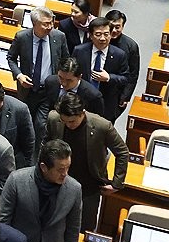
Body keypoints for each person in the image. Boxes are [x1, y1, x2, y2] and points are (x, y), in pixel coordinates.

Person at [45, 93, 127, 231]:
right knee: (52, 224)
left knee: (84, 229)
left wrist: (117, 183)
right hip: (58, 182)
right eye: (64, 121)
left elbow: (122, 152)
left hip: (89, 186)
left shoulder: (102, 126)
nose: (68, 125)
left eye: (72, 121)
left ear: (82, 113)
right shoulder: (54, 118)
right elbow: (46, 145)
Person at [6, 6, 69, 137]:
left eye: (52, 22)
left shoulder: (59, 36)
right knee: (25, 122)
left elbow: (66, 60)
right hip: (27, 89)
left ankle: (37, 153)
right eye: (45, 24)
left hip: (48, 90)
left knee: (41, 125)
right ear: (34, 24)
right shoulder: (22, 37)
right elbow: (11, 58)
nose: (50, 26)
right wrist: (19, 75)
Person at [73, 16, 129, 122]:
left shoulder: (119, 54)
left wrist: (109, 78)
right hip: (81, 102)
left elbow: (125, 78)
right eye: (98, 34)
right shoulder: (79, 51)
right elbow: (72, 73)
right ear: (90, 35)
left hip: (106, 104)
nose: (102, 38)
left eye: (106, 34)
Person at [35, 57, 105, 135]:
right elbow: (46, 106)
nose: (63, 83)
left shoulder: (93, 96)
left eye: (69, 80)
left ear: (79, 77)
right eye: (60, 78)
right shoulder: (51, 82)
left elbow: (97, 122)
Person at [104, 9, 140, 100]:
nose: (114, 30)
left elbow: (133, 74)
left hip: (116, 90)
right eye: (111, 26)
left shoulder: (131, 46)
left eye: (117, 27)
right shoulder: (98, 39)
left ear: (122, 27)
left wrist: (126, 96)